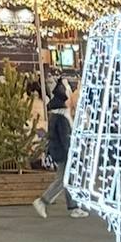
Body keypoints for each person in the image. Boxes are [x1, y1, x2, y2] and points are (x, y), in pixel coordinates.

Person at [33, 86, 88, 218]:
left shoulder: (54, 117)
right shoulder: (62, 119)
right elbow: (65, 139)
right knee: (63, 180)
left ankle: (74, 206)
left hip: (60, 153)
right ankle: (43, 201)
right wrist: (73, 154)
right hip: (65, 154)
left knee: (68, 180)